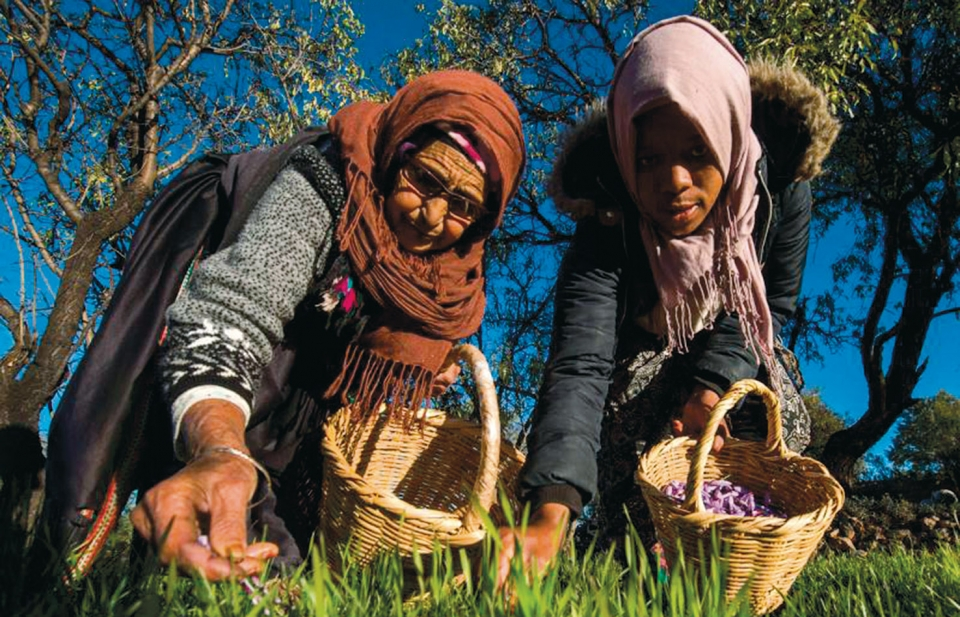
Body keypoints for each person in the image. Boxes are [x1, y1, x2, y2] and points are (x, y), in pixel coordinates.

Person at [42, 70, 525, 581]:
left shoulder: (449, 278)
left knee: (274, 568)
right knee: (204, 535)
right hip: (229, 386)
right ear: (396, 154)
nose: (433, 215)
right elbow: (234, 309)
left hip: (295, 418)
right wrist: (220, 450)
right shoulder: (330, 184)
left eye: (464, 205)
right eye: (424, 179)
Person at [496, 16, 839, 584]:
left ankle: (737, 550)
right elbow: (581, 366)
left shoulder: (778, 191)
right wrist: (549, 514)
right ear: (626, 154)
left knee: (765, 397)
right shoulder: (605, 220)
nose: (674, 181)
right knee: (626, 464)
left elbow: (769, 309)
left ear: (727, 134)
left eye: (697, 150)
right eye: (648, 160)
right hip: (640, 366)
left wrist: (713, 384)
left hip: (735, 344)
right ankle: (629, 537)